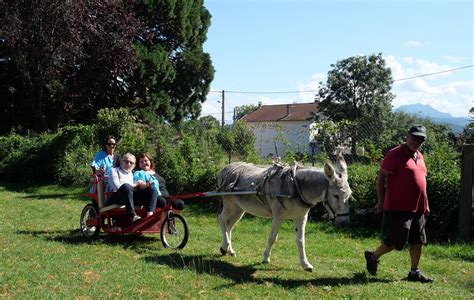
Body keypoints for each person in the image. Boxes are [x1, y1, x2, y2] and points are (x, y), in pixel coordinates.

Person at [364, 124, 433, 283]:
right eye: (414, 137)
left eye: (420, 139)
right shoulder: (394, 154)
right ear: (406, 136)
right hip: (397, 207)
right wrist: (380, 201)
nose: (416, 141)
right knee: (396, 241)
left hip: (418, 207)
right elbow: (381, 179)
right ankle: (373, 256)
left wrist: (426, 204)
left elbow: (423, 183)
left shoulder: (420, 156)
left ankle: (414, 272)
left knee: (418, 240)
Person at [107, 153, 153, 223]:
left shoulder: (133, 174)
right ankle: (132, 216)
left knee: (150, 189)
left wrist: (143, 185)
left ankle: (149, 215)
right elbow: (117, 187)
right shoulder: (114, 171)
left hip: (129, 196)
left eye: (131, 163)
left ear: (134, 165)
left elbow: (136, 188)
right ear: (121, 162)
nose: (128, 164)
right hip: (117, 197)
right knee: (126, 186)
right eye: (126, 161)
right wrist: (134, 185)